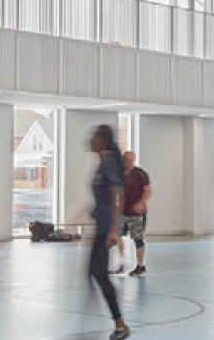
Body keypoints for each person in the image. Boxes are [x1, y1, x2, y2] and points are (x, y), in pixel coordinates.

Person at [89, 125, 131, 340]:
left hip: (107, 230)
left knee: (100, 275)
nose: (91, 140)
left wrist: (114, 229)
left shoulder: (108, 164)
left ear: (103, 140)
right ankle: (118, 322)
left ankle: (121, 325)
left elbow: (118, 196)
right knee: (95, 273)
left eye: (95, 137)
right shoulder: (102, 164)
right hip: (101, 227)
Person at [113, 151, 151, 277]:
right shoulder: (119, 175)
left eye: (128, 160)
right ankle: (122, 263)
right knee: (117, 236)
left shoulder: (140, 174)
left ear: (133, 160)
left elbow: (147, 191)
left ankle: (140, 266)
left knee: (138, 239)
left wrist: (140, 203)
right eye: (124, 159)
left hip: (136, 214)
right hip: (122, 212)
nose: (125, 162)